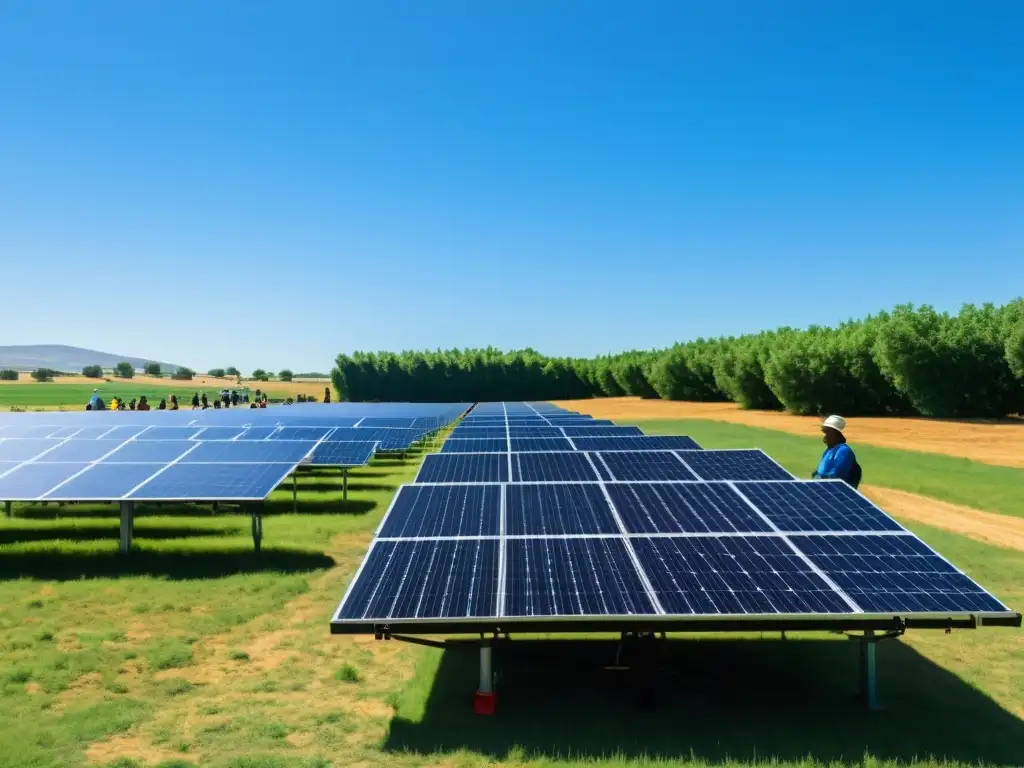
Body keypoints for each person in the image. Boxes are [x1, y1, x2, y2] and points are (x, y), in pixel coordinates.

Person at [812, 415, 861, 487]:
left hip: (838, 492)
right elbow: (820, 471)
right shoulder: (828, 450)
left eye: (827, 433)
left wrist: (820, 478)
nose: (825, 437)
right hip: (825, 489)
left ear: (834, 434)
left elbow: (838, 477)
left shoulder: (843, 451)